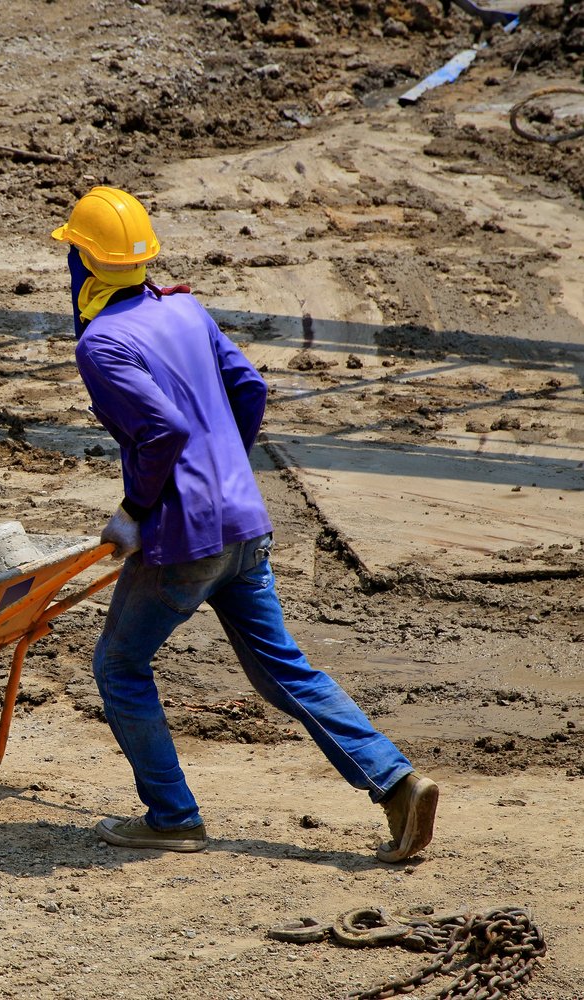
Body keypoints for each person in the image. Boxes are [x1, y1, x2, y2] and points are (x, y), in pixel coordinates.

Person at [51, 186, 438, 862]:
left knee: (118, 665)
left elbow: (162, 432)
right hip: (245, 520)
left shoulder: (102, 345)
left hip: (183, 539)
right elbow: (250, 388)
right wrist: (225, 466)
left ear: (84, 263)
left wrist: (134, 512)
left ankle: (172, 817)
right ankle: (397, 783)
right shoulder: (185, 310)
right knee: (283, 668)